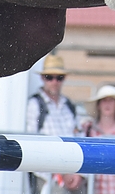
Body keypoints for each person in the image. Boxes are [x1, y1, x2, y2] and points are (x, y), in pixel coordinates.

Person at [26, 55, 84, 194]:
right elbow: (32, 142)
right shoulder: (35, 104)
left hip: (70, 172)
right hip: (47, 175)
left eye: (59, 78)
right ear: (42, 78)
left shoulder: (69, 105)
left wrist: (79, 174)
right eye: (49, 77)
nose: (54, 82)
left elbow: (80, 137)